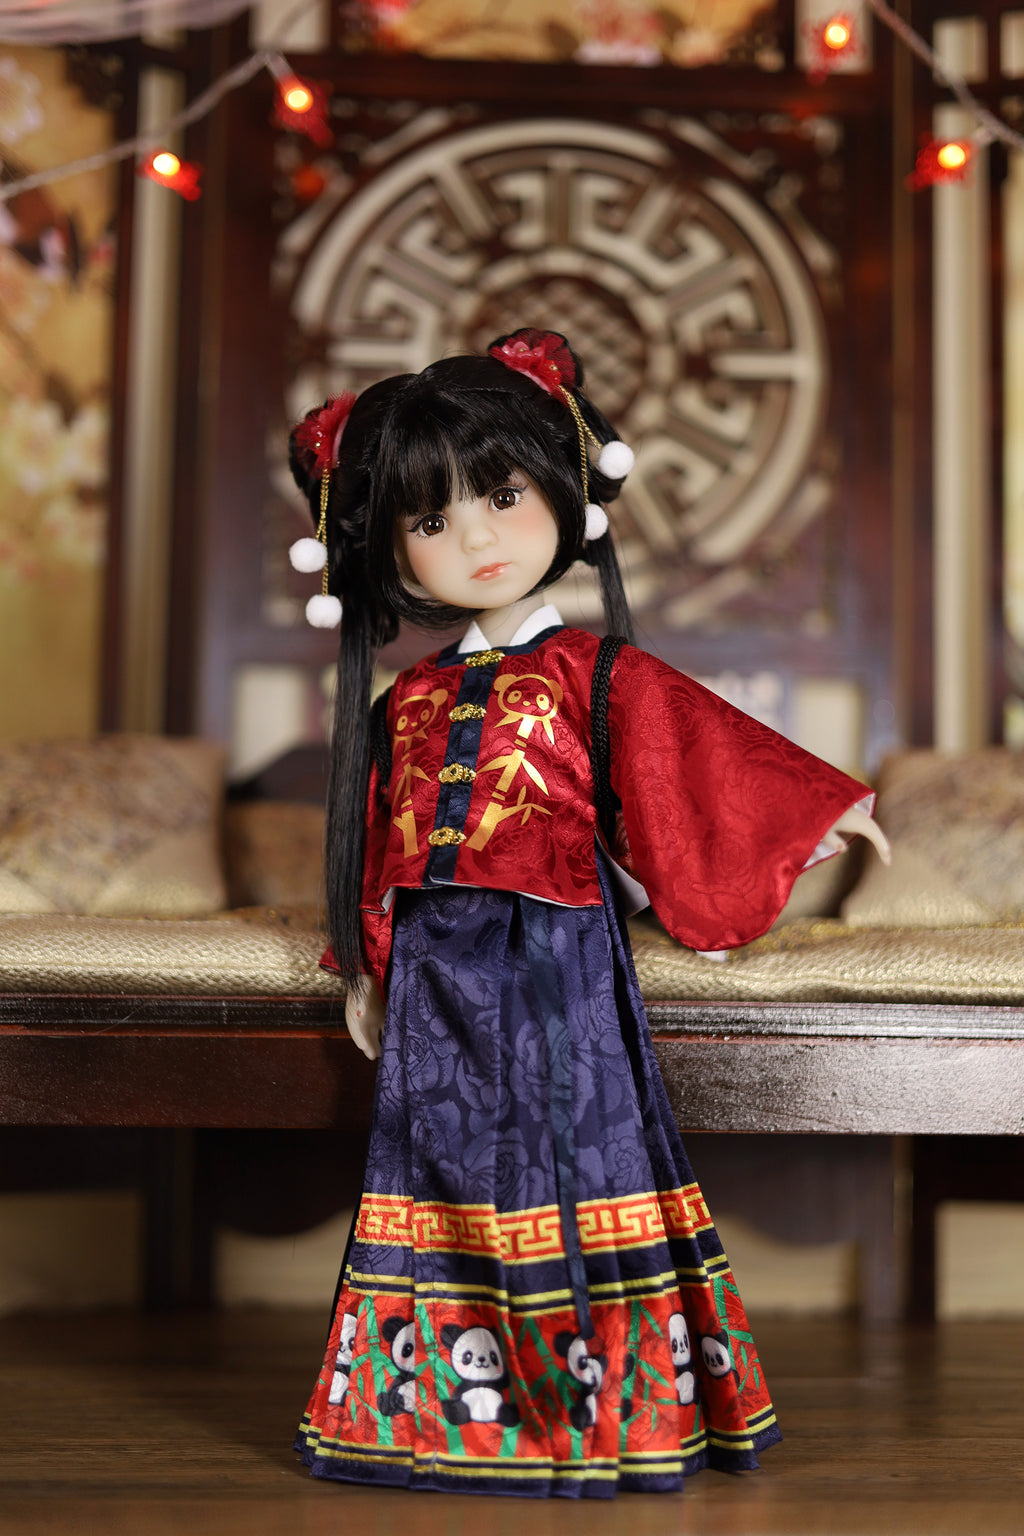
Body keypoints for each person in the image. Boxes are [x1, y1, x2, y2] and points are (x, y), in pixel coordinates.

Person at [287, 328, 889, 1498]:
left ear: (561, 495)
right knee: (434, 1166)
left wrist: (817, 813)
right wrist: (363, 963)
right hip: (432, 973)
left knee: (564, 1162)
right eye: (431, 519)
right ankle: (437, 1416)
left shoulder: (598, 674)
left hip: (552, 959)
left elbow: (690, 763)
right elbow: (379, 845)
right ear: (391, 547)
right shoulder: (405, 700)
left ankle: (595, 1413)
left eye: (502, 497)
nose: (476, 538)